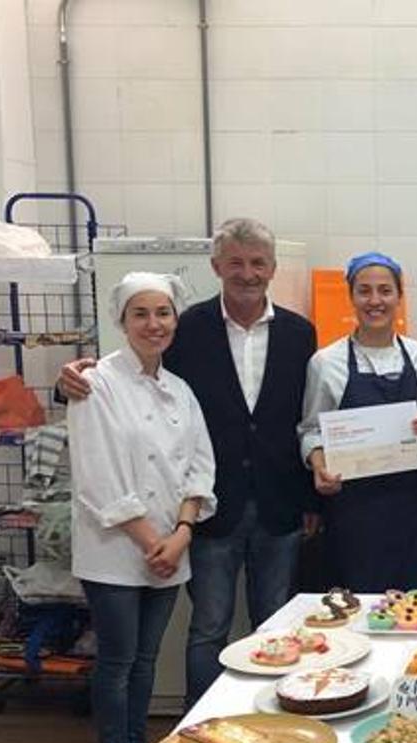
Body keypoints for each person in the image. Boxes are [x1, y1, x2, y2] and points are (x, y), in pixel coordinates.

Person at [59, 218, 318, 710]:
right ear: (216, 266)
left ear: (273, 268)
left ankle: (278, 720)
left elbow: (300, 417)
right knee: (209, 626)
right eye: (236, 262)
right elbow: (135, 369)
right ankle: (202, 723)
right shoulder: (187, 327)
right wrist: (68, 378)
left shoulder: (299, 333)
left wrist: (308, 500)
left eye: (257, 262)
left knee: (277, 624)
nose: (247, 273)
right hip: (209, 507)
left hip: (280, 504)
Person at [68, 272, 215, 743]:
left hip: (171, 549)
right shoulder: (95, 383)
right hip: (115, 552)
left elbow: (201, 465)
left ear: (176, 319)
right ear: (122, 321)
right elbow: (96, 474)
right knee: (117, 662)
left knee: (147, 660)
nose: (154, 324)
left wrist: (181, 533)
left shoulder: (179, 390)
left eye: (163, 313)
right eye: (141, 314)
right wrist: (149, 537)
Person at [300, 251, 417, 590]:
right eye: (364, 291)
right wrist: (320, 465)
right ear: (351, 296)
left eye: (385, 291)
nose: (375, 301)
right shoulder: (327, 362)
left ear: (399, 296)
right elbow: (310, 430)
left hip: (416, 509)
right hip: (355, 511)